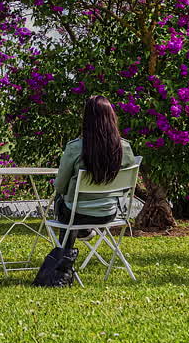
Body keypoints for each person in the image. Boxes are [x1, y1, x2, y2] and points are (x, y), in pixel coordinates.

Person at [51, 95, 138, 250]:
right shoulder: (124, 148)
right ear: (112, 118)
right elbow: (127, 187)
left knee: (67, 208)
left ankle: (64, 260)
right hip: (109, 213)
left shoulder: (75, 148)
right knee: (72, 211)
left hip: (76, 213)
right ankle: (82, 232)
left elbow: (60, 186)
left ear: (86, 120)